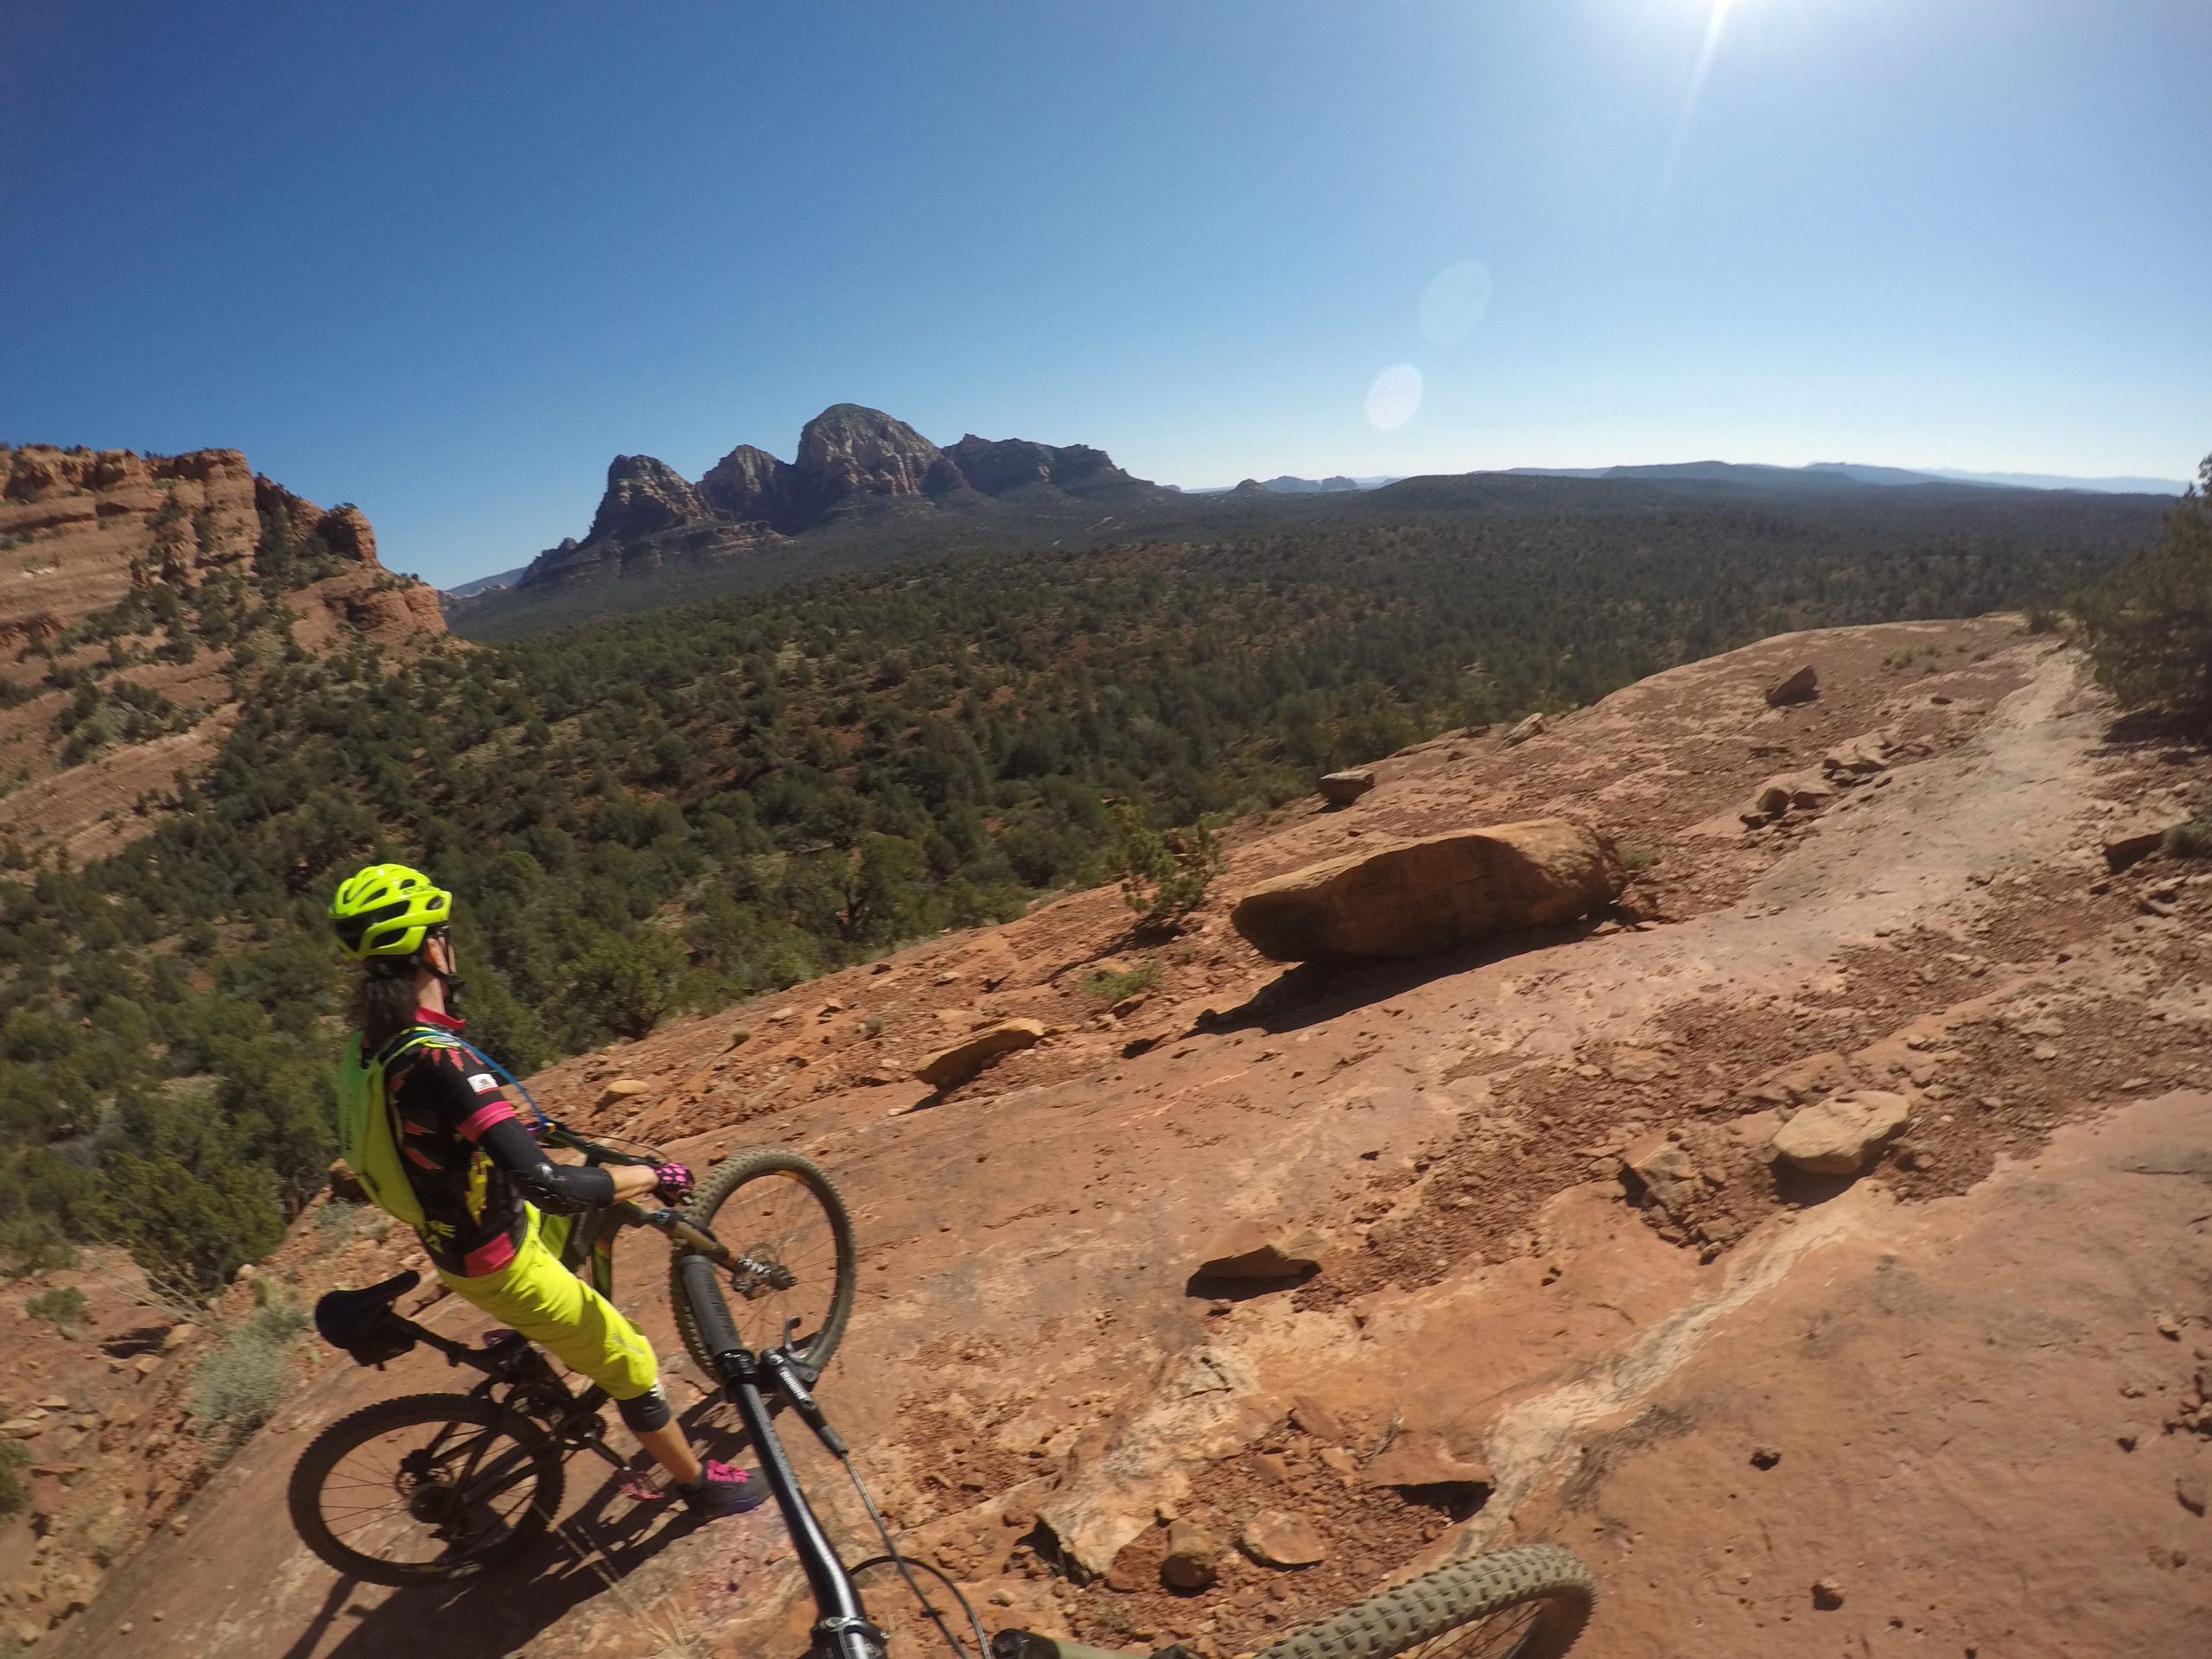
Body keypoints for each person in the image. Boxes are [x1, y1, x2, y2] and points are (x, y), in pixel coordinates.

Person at [327, 861, 761, 1517]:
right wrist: (650, 1174)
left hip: (459, 1231)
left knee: (571, 1238)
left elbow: (425, 1125)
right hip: (498, 1258)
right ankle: (696, 1485)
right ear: (430, 948)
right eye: (443, 932)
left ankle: (530, 1339)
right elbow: (551, 1183)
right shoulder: (442, 1061)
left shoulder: (370, 1048)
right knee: (632, 1364)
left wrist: (492, 1123)